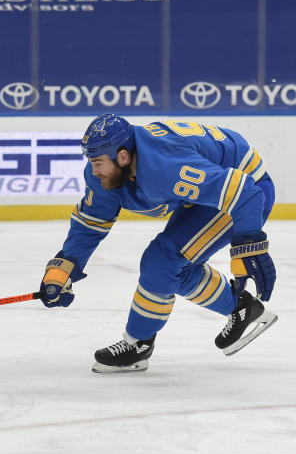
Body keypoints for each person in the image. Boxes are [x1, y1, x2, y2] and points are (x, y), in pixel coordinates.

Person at [40, 113, 277, 373]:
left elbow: (244, 194)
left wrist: (249, 244)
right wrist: (62, 268)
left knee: (162, 261)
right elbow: (92, 221)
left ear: (123, 156)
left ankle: (139, 344)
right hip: (206, 193)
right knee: (167, 267)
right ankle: (242, 308)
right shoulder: (108, 170)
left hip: (247, 190)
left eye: (98, 162)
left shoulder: (164, 167)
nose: (94, 171)